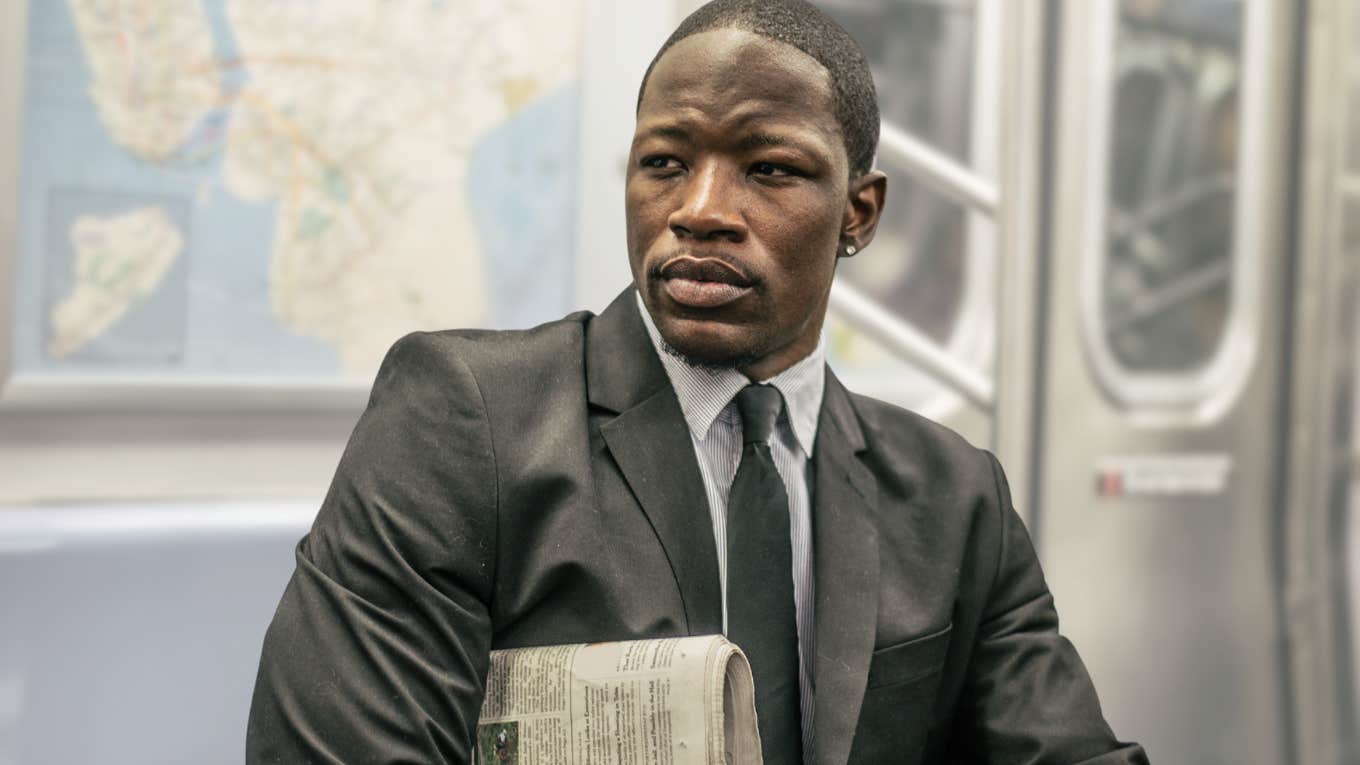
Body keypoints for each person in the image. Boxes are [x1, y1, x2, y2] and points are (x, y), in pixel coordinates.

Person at [246, 1, 1148, 763]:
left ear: (859, 214)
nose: (701, 210)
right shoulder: (468, 419)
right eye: (665, 162)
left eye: (771, 170)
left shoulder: (955, 499)